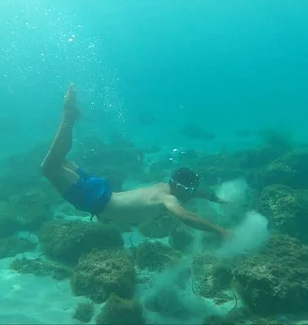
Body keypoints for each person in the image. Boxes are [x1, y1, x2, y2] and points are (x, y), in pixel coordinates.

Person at [41, 83, 232, 238]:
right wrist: (220, 231)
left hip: (101, 191)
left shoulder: (164, 186)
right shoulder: (168, 199)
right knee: (49, 167)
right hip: (96, 200)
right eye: (190, 191)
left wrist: (215, 198)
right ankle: (69, 116)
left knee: (58, 162)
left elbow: (193, 191)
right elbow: (187, 217)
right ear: (180, 187)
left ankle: (70, 116)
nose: (191, 196)